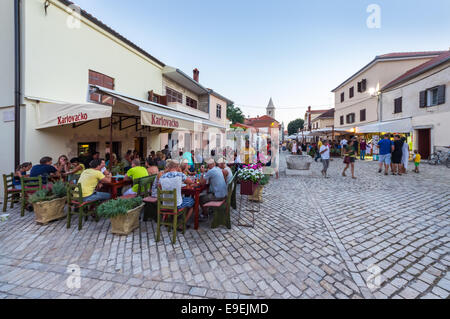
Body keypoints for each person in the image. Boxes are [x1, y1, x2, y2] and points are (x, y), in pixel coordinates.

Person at [158, 160, 195, 227]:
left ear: (168, 167)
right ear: (177, 167)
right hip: (177, 205)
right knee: (192, 201)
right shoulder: (180, 175)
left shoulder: (162, 177)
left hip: (165, 204)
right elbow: (190, 182)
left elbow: (160, 188)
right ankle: (183, 224)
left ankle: (170, 219)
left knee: (180, 198)